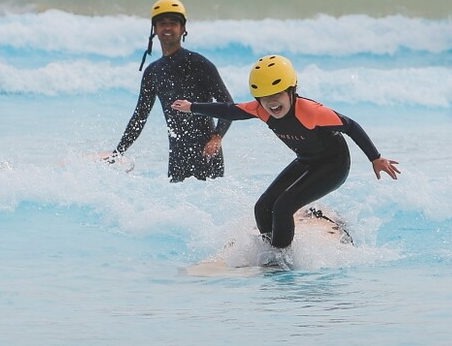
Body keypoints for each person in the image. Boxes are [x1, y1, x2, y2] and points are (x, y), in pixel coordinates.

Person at [171, 54, 400, 252]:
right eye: (264, 97)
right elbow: (229, 110)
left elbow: (350, 126)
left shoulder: (311, 112)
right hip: (307, 161)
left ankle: (282, 255)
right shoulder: (260, 110)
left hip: (334, 166)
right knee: (262, 207)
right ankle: (271, 249)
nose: (272, 102)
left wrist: (375, 157)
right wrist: (193, 106)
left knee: (283, 207)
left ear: (291, 91)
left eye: (277, 94)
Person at [110, 0, 234, 182]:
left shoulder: (199, 64)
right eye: (162, 24)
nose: (167, 28)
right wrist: (118, 152)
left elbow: (228, 105)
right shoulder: (152, 72)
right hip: (177, 158)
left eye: (173, 23)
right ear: (155, 29)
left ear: (183, 29)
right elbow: (139, 117)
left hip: (207, 155)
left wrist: (217, 137)